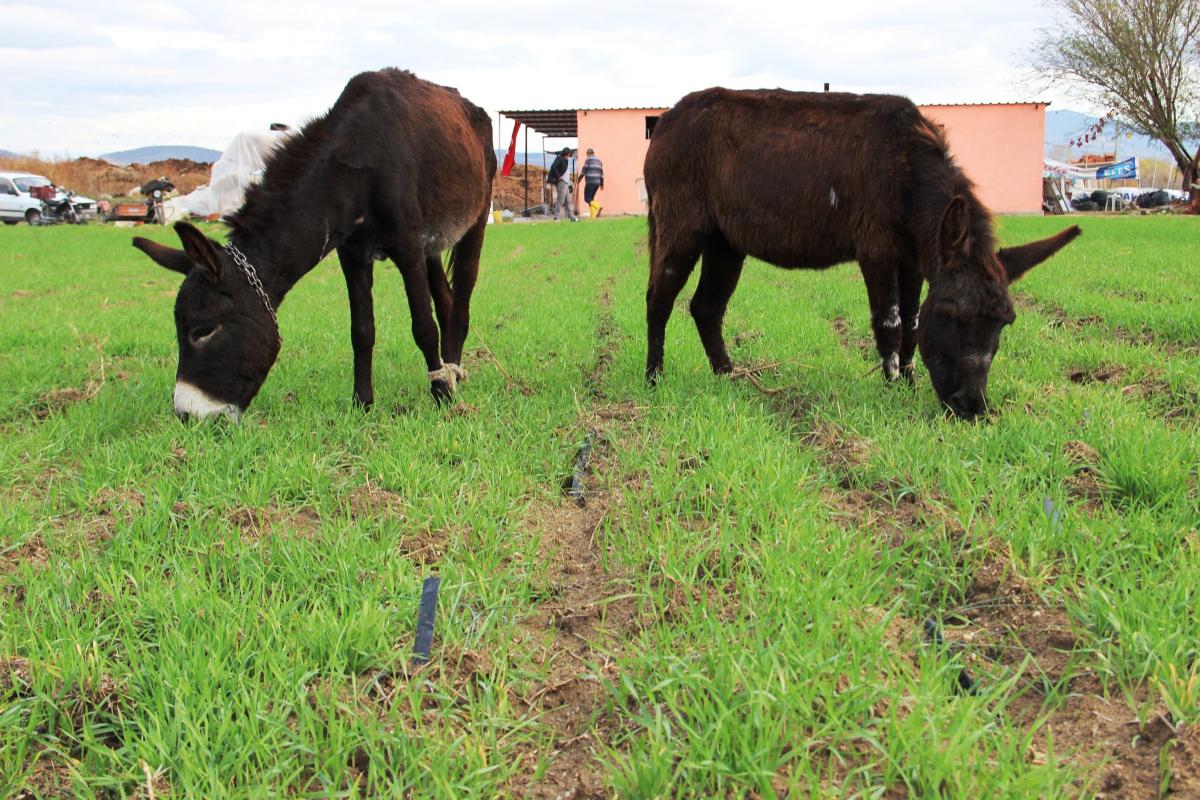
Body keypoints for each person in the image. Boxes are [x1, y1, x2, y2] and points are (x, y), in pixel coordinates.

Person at [547, 147, 577, 221]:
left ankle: (572, 217)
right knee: (560, 200)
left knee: (568, 201)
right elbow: (553, 167)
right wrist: (558, 176)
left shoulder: (565, 160)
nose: (569, 156)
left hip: (566, 183)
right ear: (566, 153)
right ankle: (556, 217)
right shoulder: (560, 159)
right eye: (569, 154)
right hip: (561, 182)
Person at [577, 147, 605, 218]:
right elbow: (602, 173)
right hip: (597, 183)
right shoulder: (599, 161)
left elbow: (584, 170)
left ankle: (598, 207)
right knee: (591, 199)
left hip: (590, 182)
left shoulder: (588, 160)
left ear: (588, 153)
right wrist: (602, 184)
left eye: (586, 154)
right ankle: (592, 217)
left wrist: (579, 179)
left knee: (587, 199)